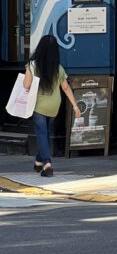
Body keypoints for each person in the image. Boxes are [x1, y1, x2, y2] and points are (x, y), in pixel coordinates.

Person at [23, 35, 81, 177]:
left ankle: (47, 164)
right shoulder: (58, 68)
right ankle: (38, 162)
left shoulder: (32, 66)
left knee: (42, 134)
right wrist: (75, 106)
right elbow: (66, 87)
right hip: (54, 106)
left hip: (38, 105)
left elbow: (26, 85)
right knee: (46, 134)